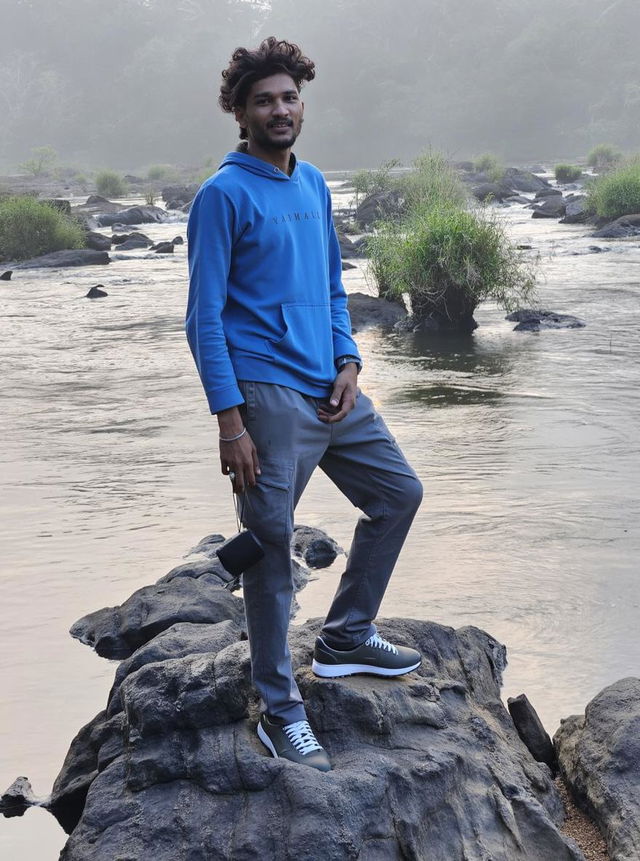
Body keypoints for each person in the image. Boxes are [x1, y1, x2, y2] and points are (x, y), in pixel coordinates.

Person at [186, 37, 423, 773]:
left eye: (289, 97)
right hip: (264, 394)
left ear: (301, 102)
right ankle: (279, 709)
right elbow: (204, 317)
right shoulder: (223, 195)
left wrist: (349, 358)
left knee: (397, 493)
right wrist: (230, 419)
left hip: (330, 388)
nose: (280, 110)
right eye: (264, 100)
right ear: (240, 111)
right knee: (270, 552)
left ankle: (348, 635)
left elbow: (328, 287)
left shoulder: (314, 183)